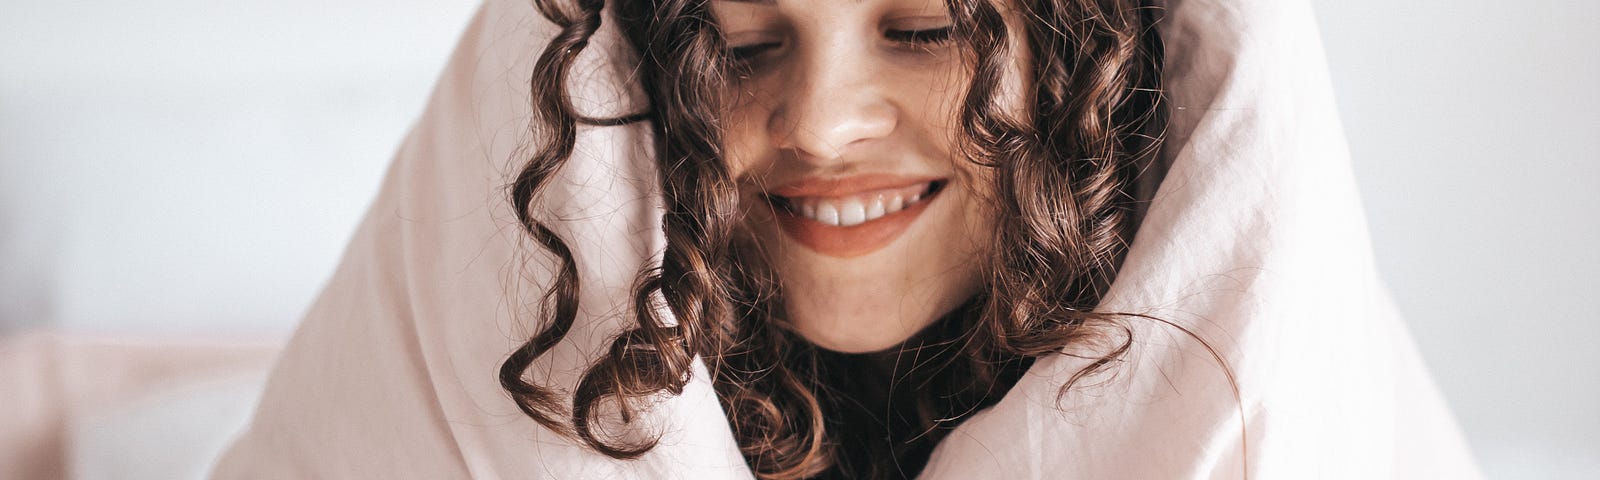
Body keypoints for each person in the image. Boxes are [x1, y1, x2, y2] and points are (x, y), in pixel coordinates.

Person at [213, 0, 1483, 478]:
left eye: (924, 30)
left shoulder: (1259, 329)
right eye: (745, 48)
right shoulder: (556, 223)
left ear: (1080, 54)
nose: (820, 126)